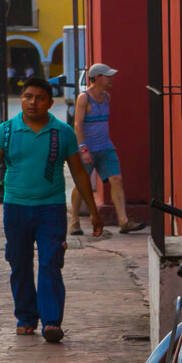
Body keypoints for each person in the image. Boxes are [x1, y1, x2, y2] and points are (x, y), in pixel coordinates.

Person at [0, 77, 105, 342]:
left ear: (50, 102)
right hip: (16, 208)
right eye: (27, 97)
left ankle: (52, 322)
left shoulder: (62, 132)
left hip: (51, 210)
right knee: (19, 264)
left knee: (50, 263)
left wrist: (93, 212)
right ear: (21, 99)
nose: (32, 102)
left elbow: (79, 173)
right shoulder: (6, 130)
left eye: (39, 98)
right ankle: (25, 317)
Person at [72, 63, 147, 235]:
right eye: (107, 76)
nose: (111, 79)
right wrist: (83, 149)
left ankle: (123, 221)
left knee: (116, 179)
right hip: (87, 149)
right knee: (81, 184)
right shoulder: (84, 98)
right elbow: (78, 124)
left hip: (106, 147)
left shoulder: (106, 97)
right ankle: (74, 221)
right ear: (97, 78)